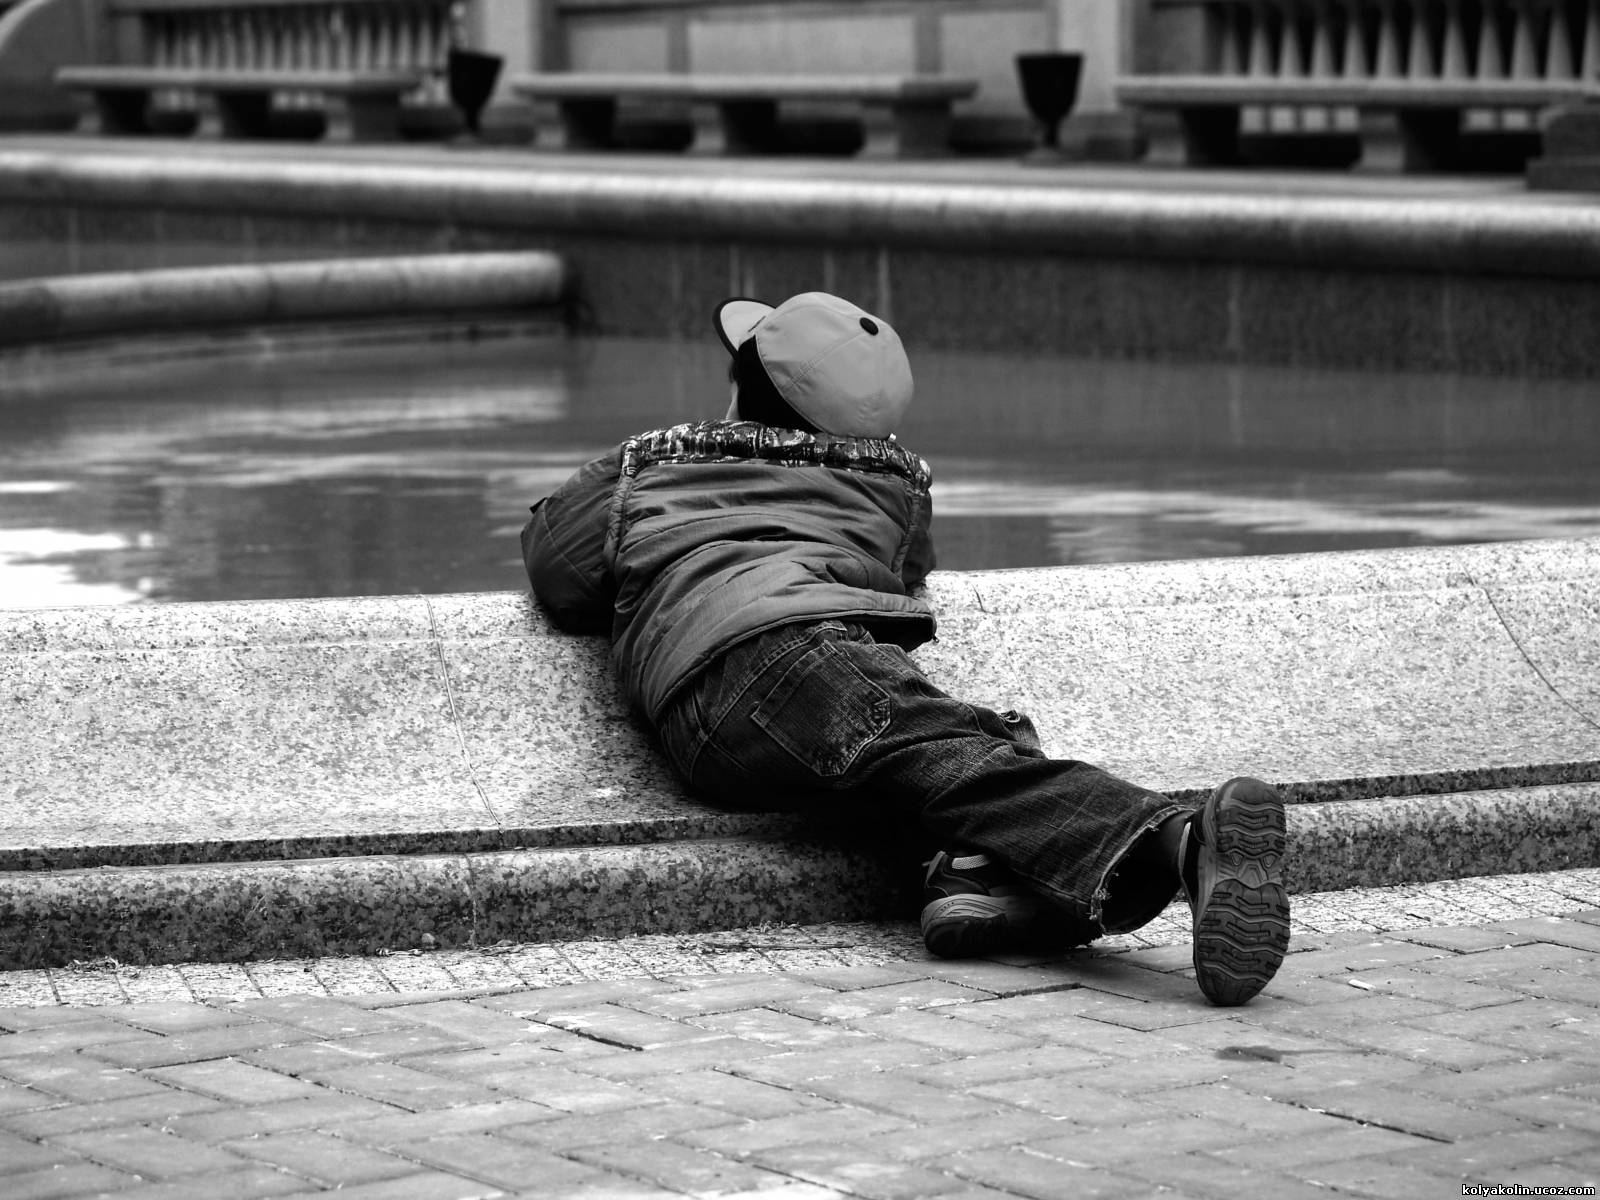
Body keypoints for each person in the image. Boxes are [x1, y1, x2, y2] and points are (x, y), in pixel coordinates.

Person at [521, 291, 1290, 1005]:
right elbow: (906, 570)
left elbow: (556, 567)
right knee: (941, 744)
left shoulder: (654, 463)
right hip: (783, 658)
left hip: (730, 682)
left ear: (739, 392)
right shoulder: (893, 485)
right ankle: (1167, 843)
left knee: (920, 756)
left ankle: (987, 877)